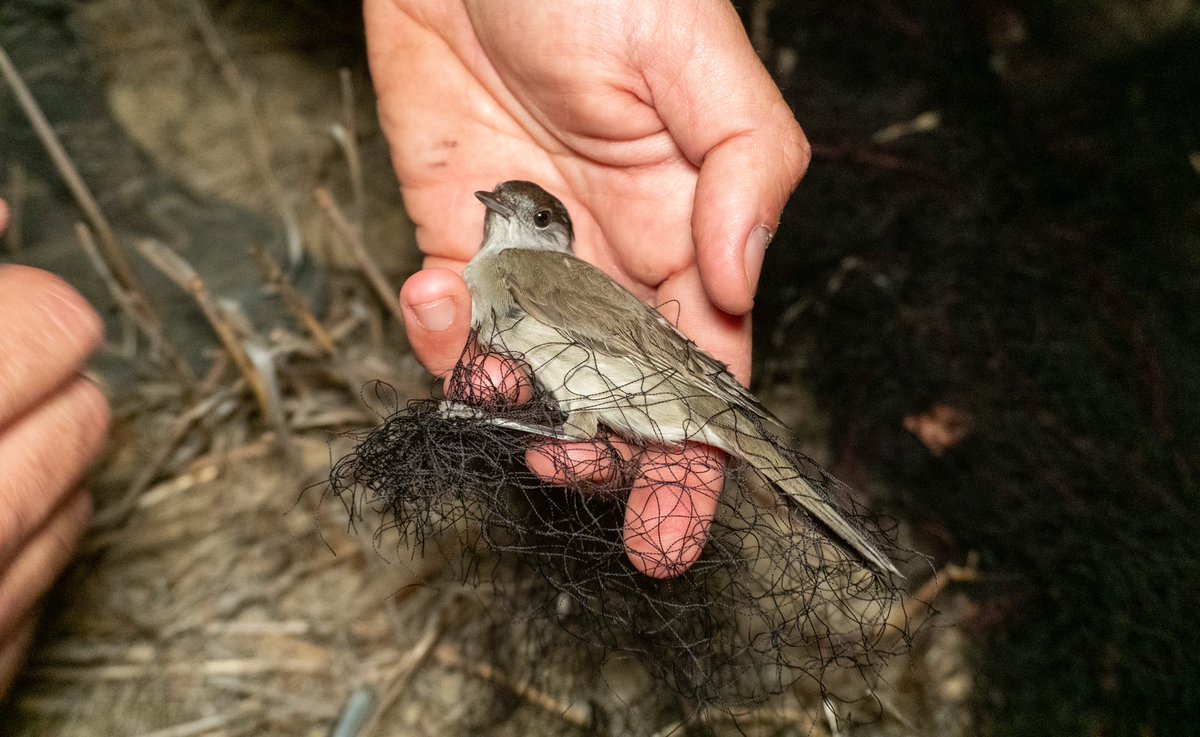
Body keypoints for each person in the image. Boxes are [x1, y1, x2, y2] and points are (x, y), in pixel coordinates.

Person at [0, 0, 807, 693]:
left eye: (533, 219)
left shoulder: (528, 274)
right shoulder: (498, 273)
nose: (507, 218)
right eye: (509, 211)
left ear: (555, 239)